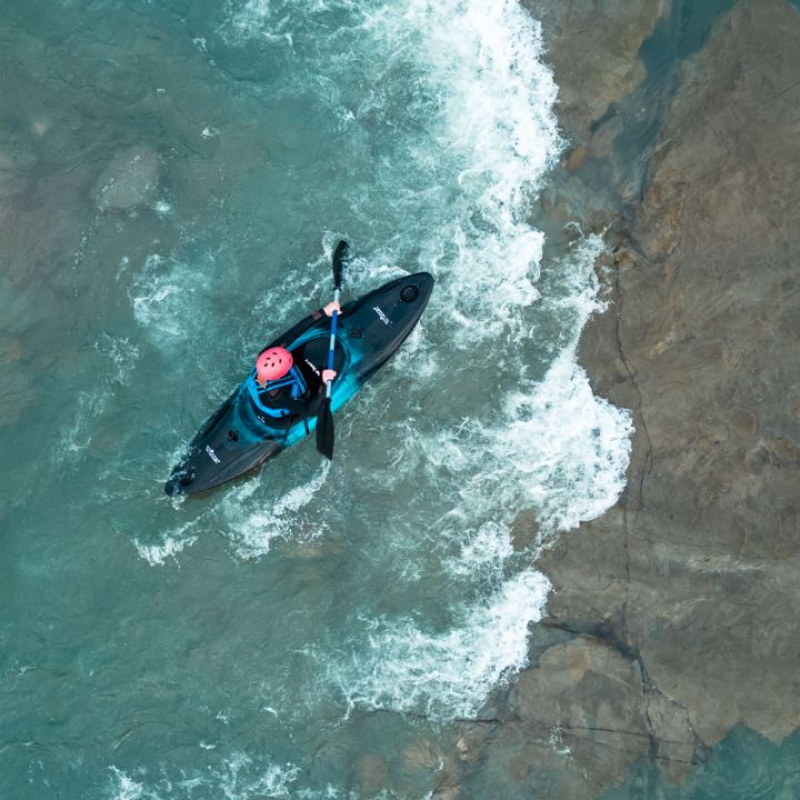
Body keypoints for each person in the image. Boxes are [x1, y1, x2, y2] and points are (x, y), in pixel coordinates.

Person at [249, 301, 341, 422]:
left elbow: (292, 333)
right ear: (282, 373)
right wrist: (324, 383)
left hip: (288, 376)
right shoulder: (279, 396)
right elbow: (311, 411)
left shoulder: (264, 355)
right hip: (280, 409)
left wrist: (323, 312)